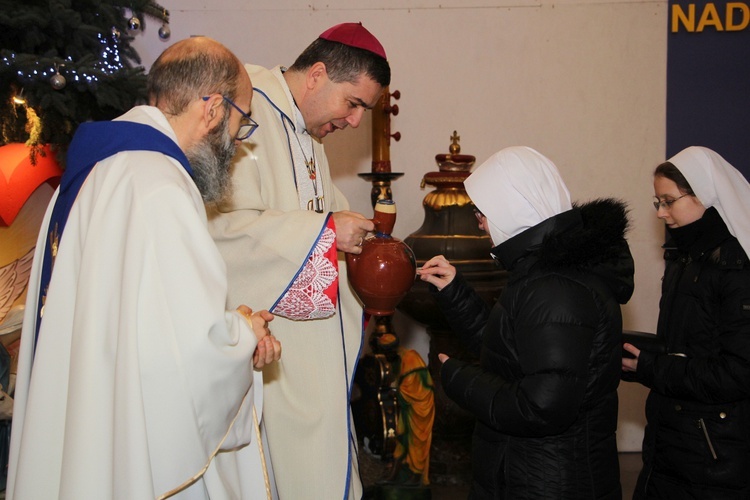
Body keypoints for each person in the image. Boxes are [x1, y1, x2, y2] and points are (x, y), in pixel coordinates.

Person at [6, 37, 282, 499]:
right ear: (212, 109)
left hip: (88, 432)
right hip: (135, 453)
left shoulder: (93, 174)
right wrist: (246, 333)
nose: (236, 142)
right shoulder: (159, 186)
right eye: (241, 122)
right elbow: (188, 357)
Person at [207, 22, 390, 499]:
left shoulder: (309, 135)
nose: (354, 122)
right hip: (271, 352)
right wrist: (327, 231)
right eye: (353, 104)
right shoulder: (246, 109)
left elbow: (323, 217)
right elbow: (219, 232)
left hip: (312, 357)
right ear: (317, 74)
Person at [418, 146, 634, 499]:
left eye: (482, 212)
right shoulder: (544, 272)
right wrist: (455, 292)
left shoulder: (554, 287)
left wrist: (459, 379)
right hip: (534, 473)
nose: (480, 222)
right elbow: (512, 353)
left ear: (510, 208)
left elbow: (541, 407)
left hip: (546, 481)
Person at [622, 146, 750, 499]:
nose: (661, 213)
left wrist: (651, 368)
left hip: (714, 452)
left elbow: (737, 374)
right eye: (656, 202)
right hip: (673, 441)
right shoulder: (684, 258)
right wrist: (636, 357)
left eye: (669, 201)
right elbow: (685, 346)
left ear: (705, 196)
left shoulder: (736, 269)